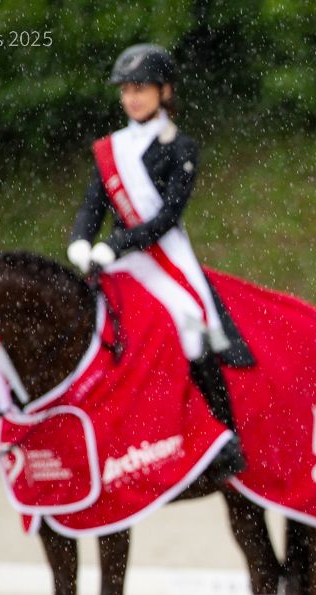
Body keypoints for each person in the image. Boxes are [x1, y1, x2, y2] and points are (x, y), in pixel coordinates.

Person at [69, 43, 248, 431]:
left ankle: (222, 429)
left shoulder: (180, 147)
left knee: (191, 325)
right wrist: (80, 241)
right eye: (126, 90)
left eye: (140, 88)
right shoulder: (110, 149)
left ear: (164, 91)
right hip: (115, 259)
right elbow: (92, 206)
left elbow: (167, 217)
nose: (131, 98)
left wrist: (114, 245)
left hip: (161, 256)